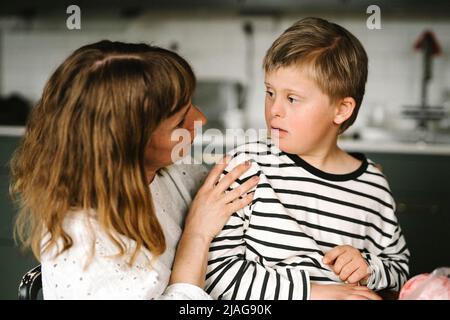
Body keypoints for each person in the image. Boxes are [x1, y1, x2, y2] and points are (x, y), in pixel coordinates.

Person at [10, 40, 259, 299]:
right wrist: (196, 235)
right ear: (127, 146)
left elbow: (229, 199)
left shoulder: (171, 170)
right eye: (180, 121)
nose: (201, 119)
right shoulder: (85, 244)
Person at [205, 17, 409, 300]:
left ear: (341, 110)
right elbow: (214, 276)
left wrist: (368, 267)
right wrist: (313, 293)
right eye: (270, 93)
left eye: (292, 99)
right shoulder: (246, 167)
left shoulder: (373, 186)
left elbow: (399, 270)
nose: (274, 109)